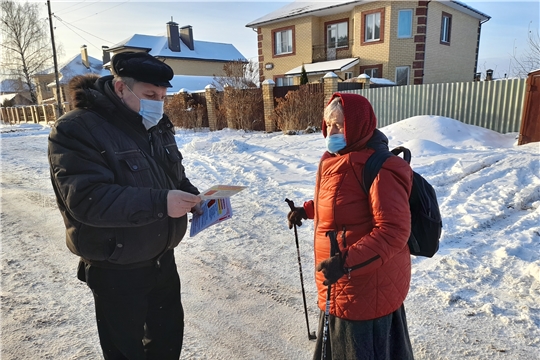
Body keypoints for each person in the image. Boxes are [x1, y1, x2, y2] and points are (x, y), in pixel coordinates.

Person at [48, 51, 202, 360]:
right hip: (117, 266)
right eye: (149, 95)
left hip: (162, 258)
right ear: (121, 88)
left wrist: (195, 197)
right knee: (125, 352)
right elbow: (87, 199)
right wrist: (162, 202)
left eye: (161, 96)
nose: (157, 103)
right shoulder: (76, 129)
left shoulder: (155, 124)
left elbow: (173, 174)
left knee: (167, 342)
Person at [287, 93, 414, 360]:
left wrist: (345, 262)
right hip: (340, 282)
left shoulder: (380, 168)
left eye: (339, 125)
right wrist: (307, 210)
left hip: (364, 287)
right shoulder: (337, 159)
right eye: (328, 125)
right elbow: (342, 202)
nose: (331, 131)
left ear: (357, 126)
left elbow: (393, 231)